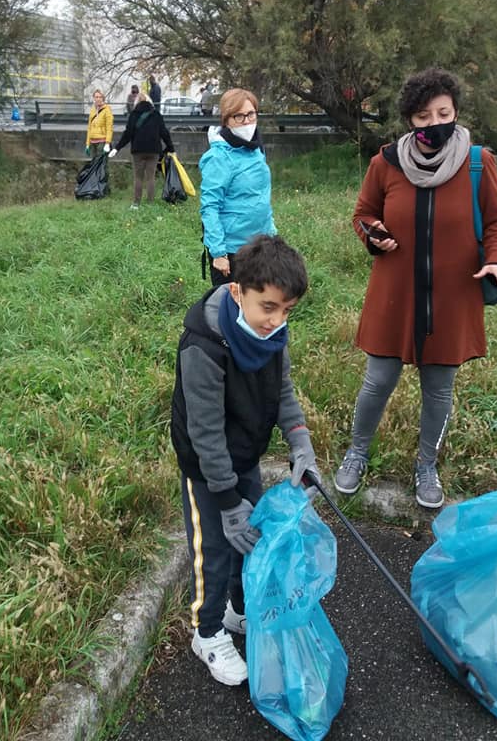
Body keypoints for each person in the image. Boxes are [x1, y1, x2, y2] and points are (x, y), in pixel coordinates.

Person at [334, 68, 497, 509]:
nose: (434, 123)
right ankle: (357, 453)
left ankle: (426, 464)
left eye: (443, 113)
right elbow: (363, 213)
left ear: (455, 112)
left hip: (452, 298)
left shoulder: (478, 162)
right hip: (395, 295)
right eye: (423, 115)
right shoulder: (386, 162)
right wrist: (373, 234)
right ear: (410, 120)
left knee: (439, 389)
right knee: (377, 382)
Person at [171, 234, 321, 686]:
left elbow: (283, 394)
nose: (276, 320)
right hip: (207, 468)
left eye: (287, 310)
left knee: (251, 538)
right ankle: (208, 632)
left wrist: (300, 442)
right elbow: (205, 432)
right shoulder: (205, 345)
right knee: (214, 551)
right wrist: (226, 497)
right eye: (268, 307)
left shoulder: (272, 336)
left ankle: (238, 610)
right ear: (238, 291)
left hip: (246, 455)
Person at [199, 87, 277, 285]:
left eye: (251, 114)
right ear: (227, 120)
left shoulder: (255, 148)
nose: (247, 121)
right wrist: (218, 253)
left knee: (258, 308)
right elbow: (210, 207)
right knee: (231, 310)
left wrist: (271, 233)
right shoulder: (218, 157)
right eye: (239, 116)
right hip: (233, 250)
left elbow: (260, 195)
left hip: (261, 244)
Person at [108, 90, 174, 208]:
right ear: (150, 102)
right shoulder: (156, 115)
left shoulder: (133, 115)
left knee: (138, 177)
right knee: (150, 178)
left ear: (137, 102)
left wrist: (117, 148)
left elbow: (128, 134)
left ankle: (136, 204)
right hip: (154, 151)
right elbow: (164, 133)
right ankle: (150, 203)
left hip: (138, 151)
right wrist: (171, 148)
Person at [85, 88, 114, 160]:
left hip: (102, 140)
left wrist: (107, 143)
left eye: (100, 97)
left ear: (103, 98)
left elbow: (109, 128)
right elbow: (89, 128)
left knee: (101, 164)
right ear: (94, 98)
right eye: (96, 97)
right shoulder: (92, 110)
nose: (98, 99)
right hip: (92, 140)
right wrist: (87, 144)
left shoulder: (107, 110)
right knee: (94, 164)